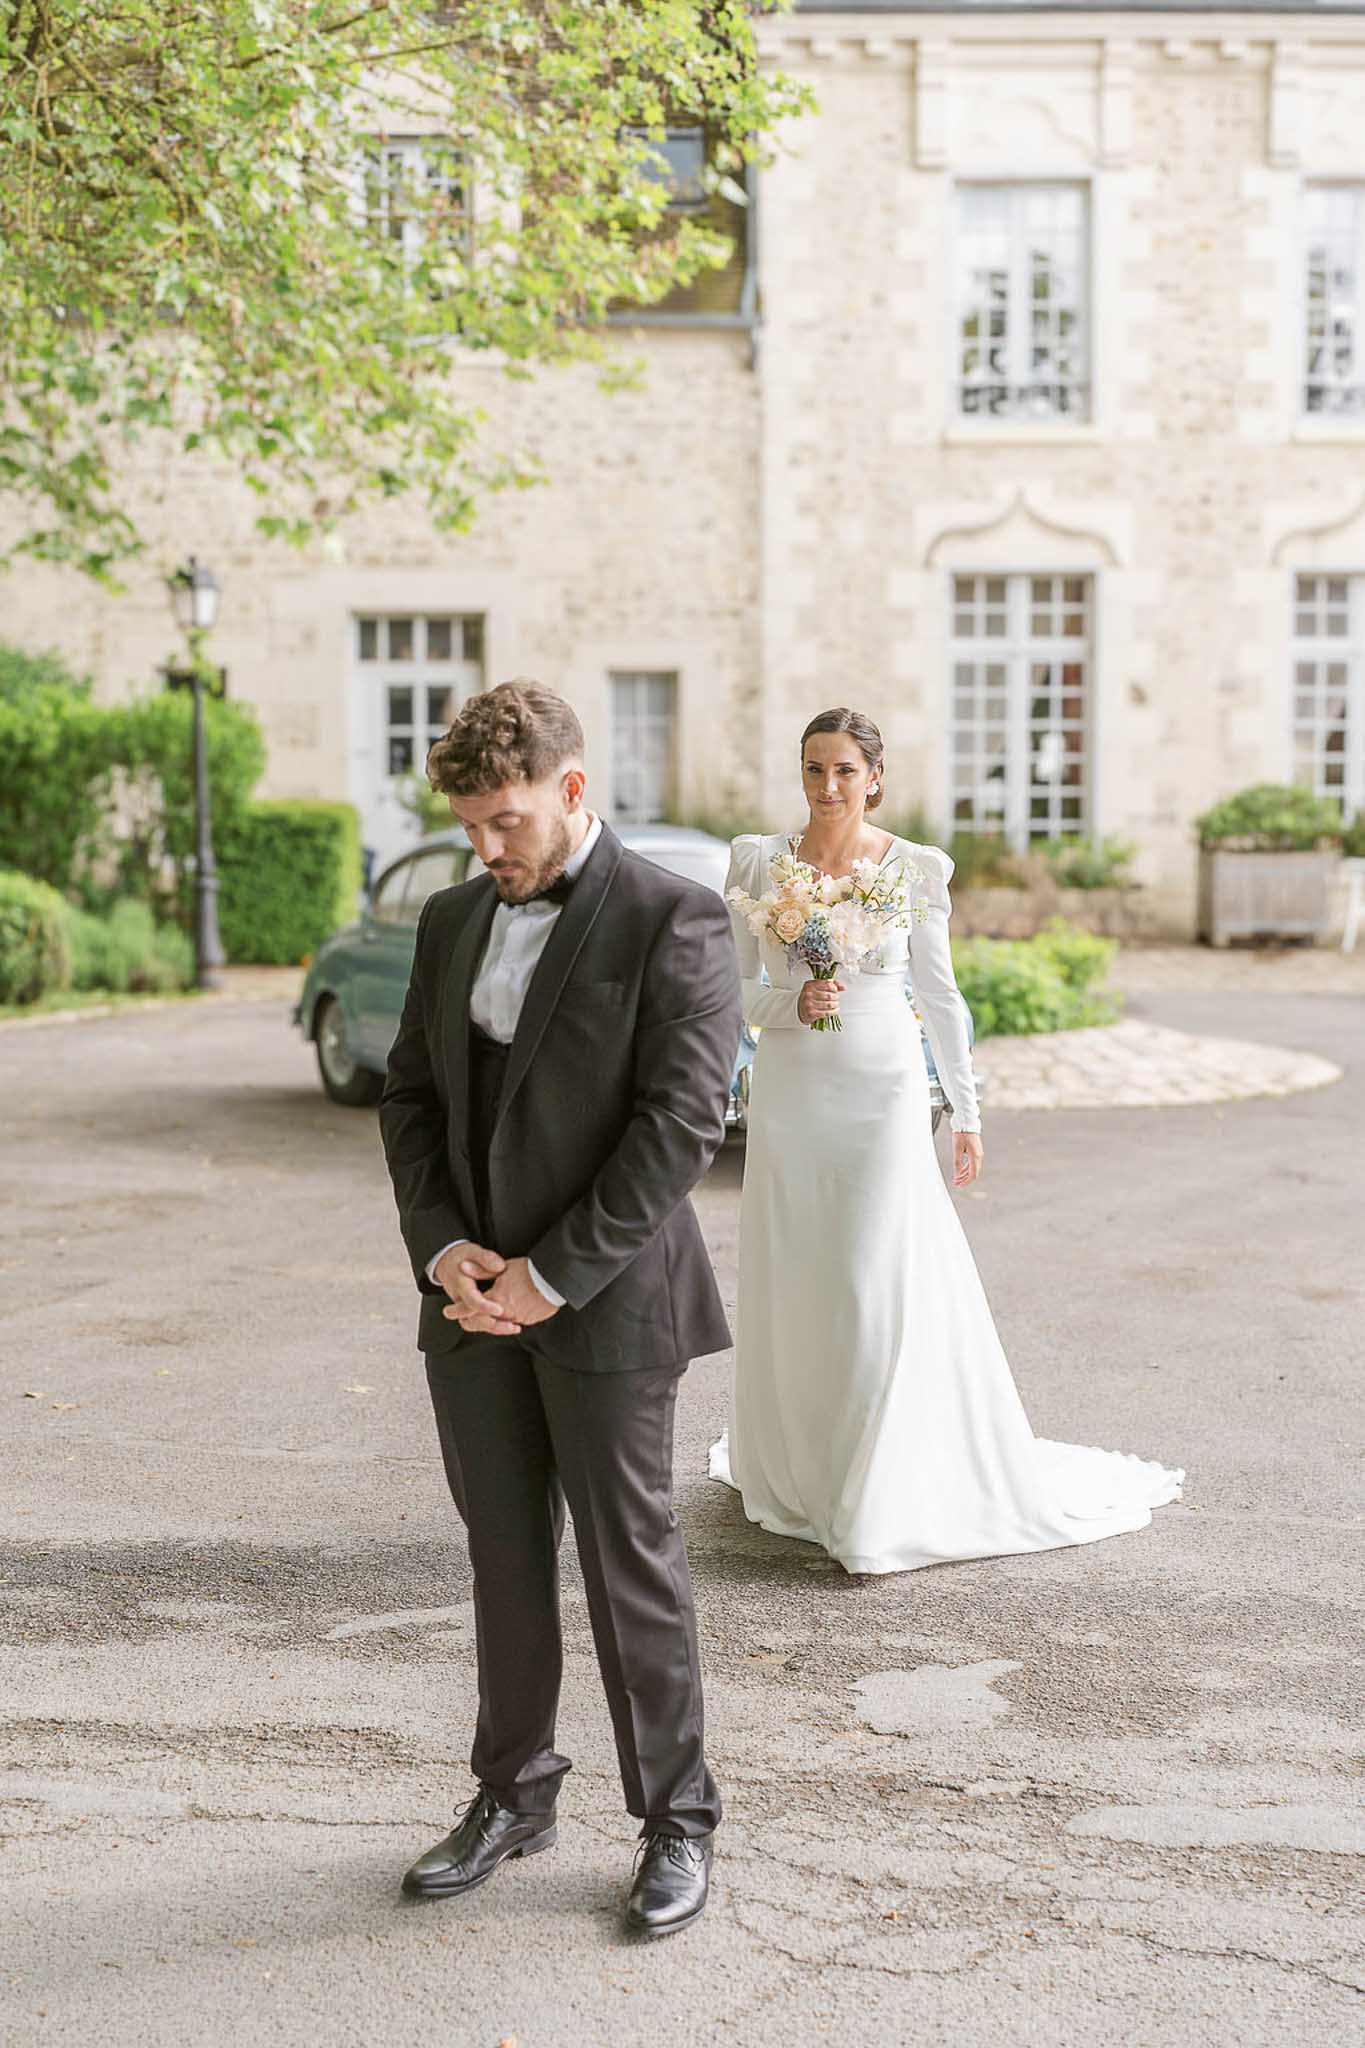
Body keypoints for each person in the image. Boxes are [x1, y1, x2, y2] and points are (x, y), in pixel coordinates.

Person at [380, 680, 740, 1936]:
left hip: (610, 1303)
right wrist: (446, 1253)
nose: (486, 848)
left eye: (506, 821)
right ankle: (513, 1793)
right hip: (471, 1303)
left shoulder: (675, 920)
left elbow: (679, 1124)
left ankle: (678, 1820)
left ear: (573, 789)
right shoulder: (447, 918)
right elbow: (411, 1100)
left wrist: (550, 1273)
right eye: (470, 826)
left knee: (627, 1559)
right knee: (501, 1556)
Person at [709, 706, 1183, 1574]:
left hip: (884, 1089)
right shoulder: (757, 863)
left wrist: (965, 1111)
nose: (826, 787)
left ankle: (877, 1480)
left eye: (844, 771)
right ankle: (799, 1463)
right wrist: (789, 1003)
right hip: (791, 1090)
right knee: (799, 1266)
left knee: (870, 1269)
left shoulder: (915, 869)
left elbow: (942, 996)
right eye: (813, 769)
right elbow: (734, 987)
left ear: (875, 777)